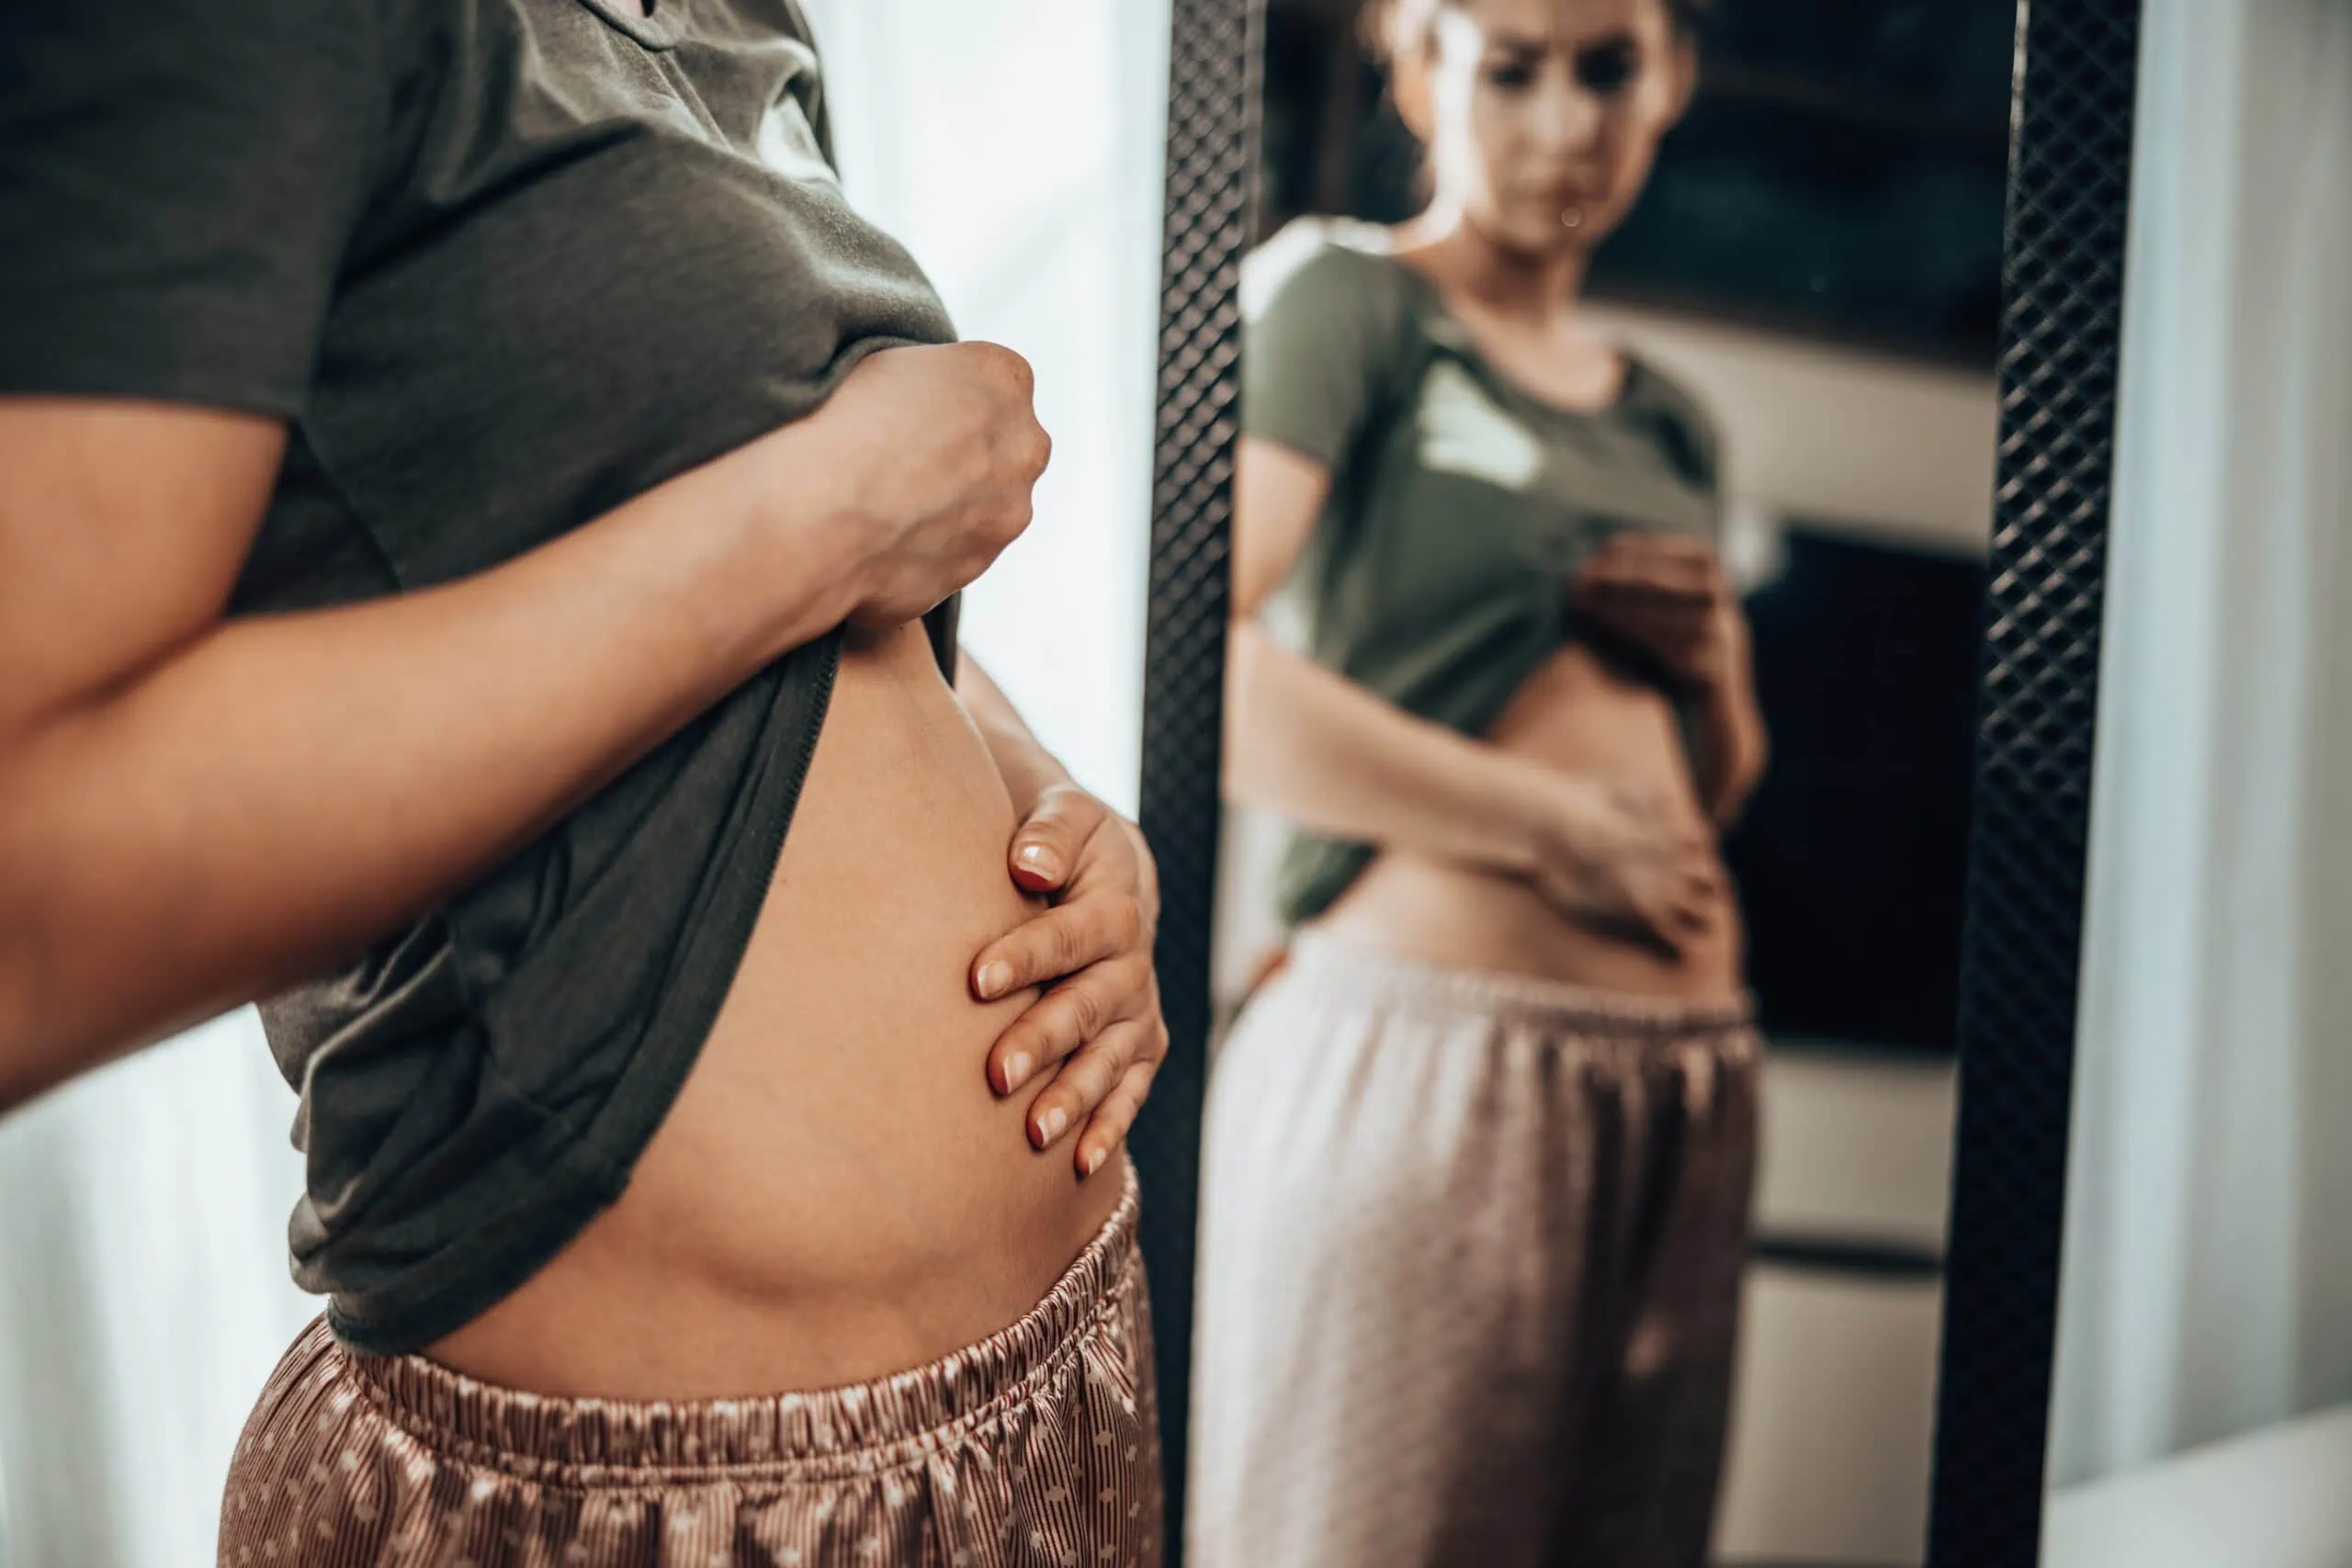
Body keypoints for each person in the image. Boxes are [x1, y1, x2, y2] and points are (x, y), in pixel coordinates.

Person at [0, 1, 1170, 1562]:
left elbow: (774, 597)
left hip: (1058, 1383)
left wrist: (1042, 801)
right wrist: (819, 514)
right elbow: (37, 884)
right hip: (635, 1494)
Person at [1188, 0, 1763, 1563]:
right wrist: (1552, 829)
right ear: (1419, 71)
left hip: (1690, 1095)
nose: (1563, 121)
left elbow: (1716, 791)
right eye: (1511, 67)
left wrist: (1712, 660)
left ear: (1674, 81)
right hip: (1432, 1075)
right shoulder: (1345, 301)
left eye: (1607, 70)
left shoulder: (1670, 419)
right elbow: (1201, 680)